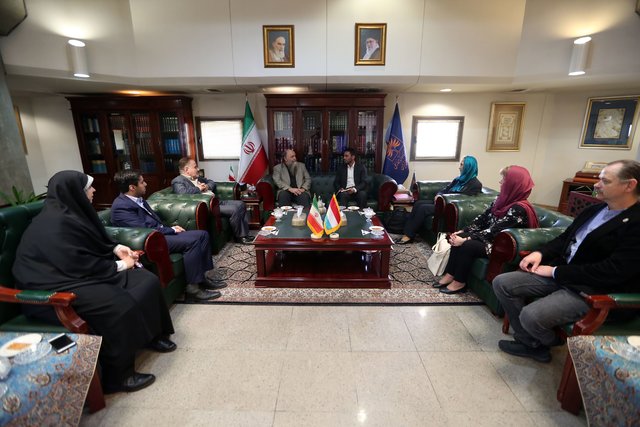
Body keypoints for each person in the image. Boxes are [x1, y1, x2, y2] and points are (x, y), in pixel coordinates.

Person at [11, 171, 175, 393]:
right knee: (118, 304)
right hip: (53, 286)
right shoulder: (53, 224)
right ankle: (118, 377)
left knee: (147, 281)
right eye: (89, 187)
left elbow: (93, 241)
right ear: (75, 192)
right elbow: (77, 262)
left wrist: (116, 248)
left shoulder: (72, 213)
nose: (94, 190)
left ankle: (153, 336)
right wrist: (121, 265)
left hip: (79, 275)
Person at [493, 160, 640, 363]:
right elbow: (564, 239)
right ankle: (532, 343)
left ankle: (550, 341)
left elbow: (612, 271)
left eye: (605, 181)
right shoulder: (594, 210)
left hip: (592, 289)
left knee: (530, 315)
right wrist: (540, 253)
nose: (596, 185)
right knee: (502, 282)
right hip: (564, 274)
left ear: (629, 185)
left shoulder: (636, 223)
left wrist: (555, 272)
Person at [111, 170, 224, 301]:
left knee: (202, 235)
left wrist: (169, 229)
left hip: (158, 235)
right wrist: (171, 230)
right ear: (132, 187)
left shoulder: (137, 199)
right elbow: (143, 229)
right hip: (150, 241)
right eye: (142, 182)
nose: (145, 184)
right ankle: (193, 289)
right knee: (193, 241)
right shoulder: (121, 206)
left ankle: (202, 278)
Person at [434, 165, 539, 294]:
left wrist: (466, 239)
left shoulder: (519, 209)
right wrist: (463, 231)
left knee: (468, 245)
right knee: (457, 238)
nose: (500, 182)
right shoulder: (501, 199)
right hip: (489, 237)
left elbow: (495, 230)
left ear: (514, 184)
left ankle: (459, 282)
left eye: (504, 179)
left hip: (500, 245)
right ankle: (450, 274)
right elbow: (483, 218)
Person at [397, 155, 483, 245]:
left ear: (468, 167)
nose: (459, 167)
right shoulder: (458, 179)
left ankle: (408, 236)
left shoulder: (475, 184)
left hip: (450, 208)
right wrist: (439, 195)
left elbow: (464, 200)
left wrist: (444, 198)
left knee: (423, 208)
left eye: (461, 165)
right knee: (418, 203)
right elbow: (446, 189)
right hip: (441, 202)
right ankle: (407, 231)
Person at [172, 157, 253, 245]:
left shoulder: (196, 177)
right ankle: (240, 237)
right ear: (186, 169)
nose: (198, 169)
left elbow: (211, 182)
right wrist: (198, 188)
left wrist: (207, 186)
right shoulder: (178, 181)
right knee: (234, 209)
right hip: (207, 206)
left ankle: (245, 234)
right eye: (195, 167)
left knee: (241, 204)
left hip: (215, 201)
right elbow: (182, 194)